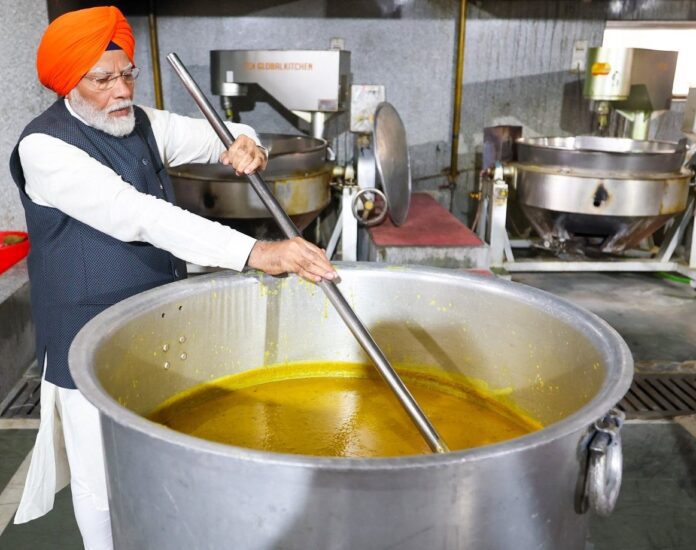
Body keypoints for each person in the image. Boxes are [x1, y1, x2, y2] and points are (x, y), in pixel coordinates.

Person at [9, 6, 337, 549]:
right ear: (70, 82)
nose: (121, 90)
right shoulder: (44, 148)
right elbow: (139, 214)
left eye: (128, 74)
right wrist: (259, 252)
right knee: (101, 477)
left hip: (151, 318)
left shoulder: (142, 123)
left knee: (157, 449)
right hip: (82, 331)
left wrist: (245, 139)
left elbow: (219, 134)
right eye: (103, 80)